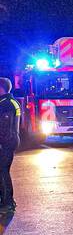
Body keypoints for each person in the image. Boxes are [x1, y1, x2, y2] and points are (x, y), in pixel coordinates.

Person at [0, 78, 21, 211]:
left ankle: (8, 202)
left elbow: (4, 128)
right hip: (8, 141)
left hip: (6, 143)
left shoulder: (7, 104)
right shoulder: (7, 102)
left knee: (2, 171)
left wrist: (1, 144)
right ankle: (4, 199)